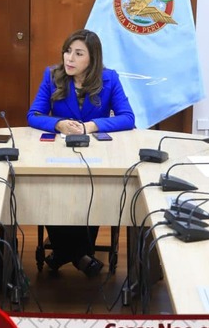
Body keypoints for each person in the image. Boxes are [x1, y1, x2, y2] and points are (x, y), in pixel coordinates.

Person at [26, 29, 135, 276]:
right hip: (57, 153)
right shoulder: (52, 76)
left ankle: (65, 253)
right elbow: (34, 115)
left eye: (78, 54)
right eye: (67, 51)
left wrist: (92, 125)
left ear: (92, 59)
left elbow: (128, 118)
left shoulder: (109, 79)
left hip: (95, 156)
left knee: (94, 189)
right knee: (54, 189)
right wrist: (58, 124)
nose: (69, 59)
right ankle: (79, 255)